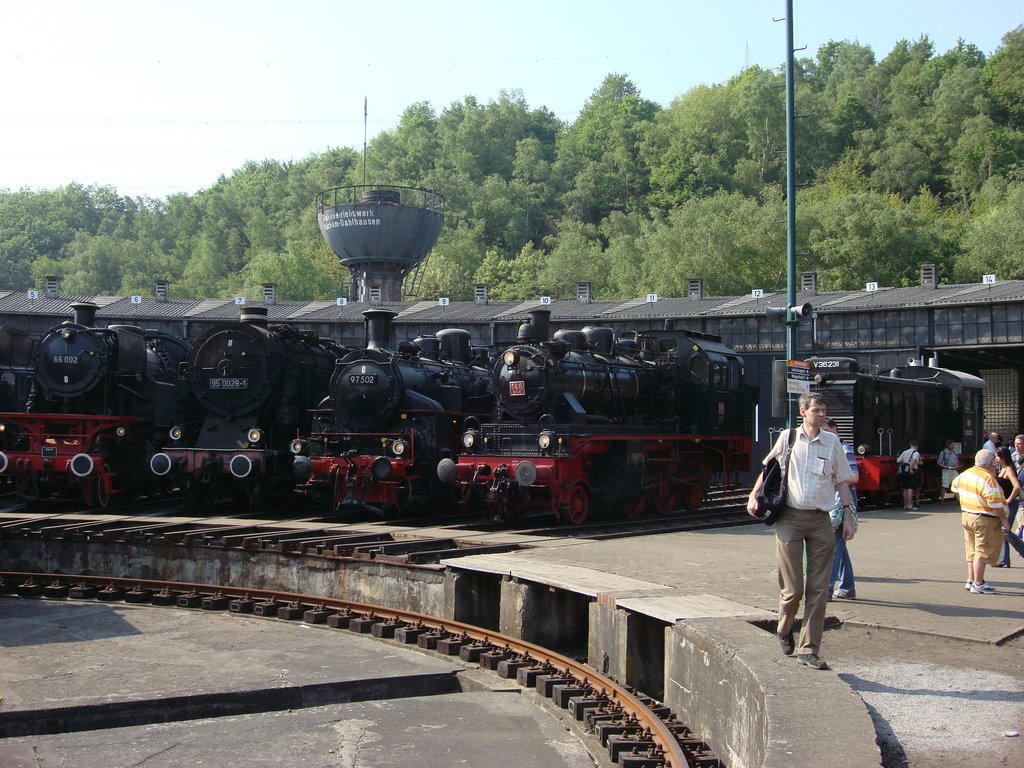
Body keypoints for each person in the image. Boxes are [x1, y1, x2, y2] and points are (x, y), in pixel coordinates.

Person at [746, 393, 856, 670]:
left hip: (821, 520)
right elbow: (769, 469)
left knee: (818, 590)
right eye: (816, 410)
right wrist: (753, 496)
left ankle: (809, 650)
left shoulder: (832, 443)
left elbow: (842, 481)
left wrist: (849, 517)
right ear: (803, 412)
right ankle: (784, 629)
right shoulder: (788, 437)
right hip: (790, 520)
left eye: (823, 410)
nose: (820, 415)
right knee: (793, 590)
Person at [950, 449, 1010, 594]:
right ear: (989, 463)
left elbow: (954, 487)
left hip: (967, 515)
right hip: (984, 518)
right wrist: (1004, 520)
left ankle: (971, 579)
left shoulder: (965, 474)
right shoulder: (988, 478)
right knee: (981, 551)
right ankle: (979, 583)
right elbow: (994, 502)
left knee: (971, 549)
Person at [824, 418, 858, 599]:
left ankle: (827, 590)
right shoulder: (826, 448)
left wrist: (830, 478)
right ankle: (847, 587)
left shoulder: (845, 449)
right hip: (831, 499)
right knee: (840, 546)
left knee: (835, 545)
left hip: (841, 500)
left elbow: (854, 477)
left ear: (835, 430)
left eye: (827, 431)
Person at [995, 450, 1024, 567]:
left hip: (1010, 504)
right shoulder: (1001, 469)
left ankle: (1021, 550)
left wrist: (1009, 500)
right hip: (1004, 505)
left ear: (1004, 457)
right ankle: (1003, 560)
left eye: (998, 456)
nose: (996, 458)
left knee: (1005, 530)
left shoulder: (1009, 469)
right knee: (1003, 530)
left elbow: (1016, 486)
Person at [896, 440, 922, 511]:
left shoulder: (905, 452)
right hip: (911, 471)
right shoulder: (916, 453)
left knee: (905, 488)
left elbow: (898, 460)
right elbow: (914, 460)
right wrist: (910, 468)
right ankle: (910, 505)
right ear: (916, 446)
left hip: (904, 471)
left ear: (910, 445)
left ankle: (905, 505)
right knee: (910, 488)